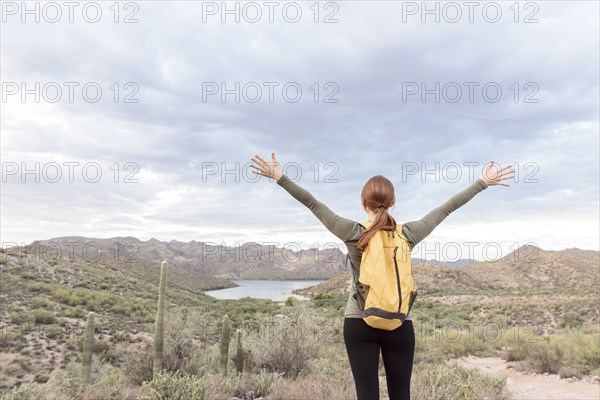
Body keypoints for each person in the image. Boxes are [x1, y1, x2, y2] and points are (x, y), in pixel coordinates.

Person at [249, 152, 515, 400]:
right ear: (393, 202)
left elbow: (312, 203)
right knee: (401, 395)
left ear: (363, 202)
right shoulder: (407, 234)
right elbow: (445, 209)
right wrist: (482, 182)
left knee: (367, 394)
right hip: (399, 323)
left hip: (359, 321)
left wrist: (280, 178)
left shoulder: (353, 232)